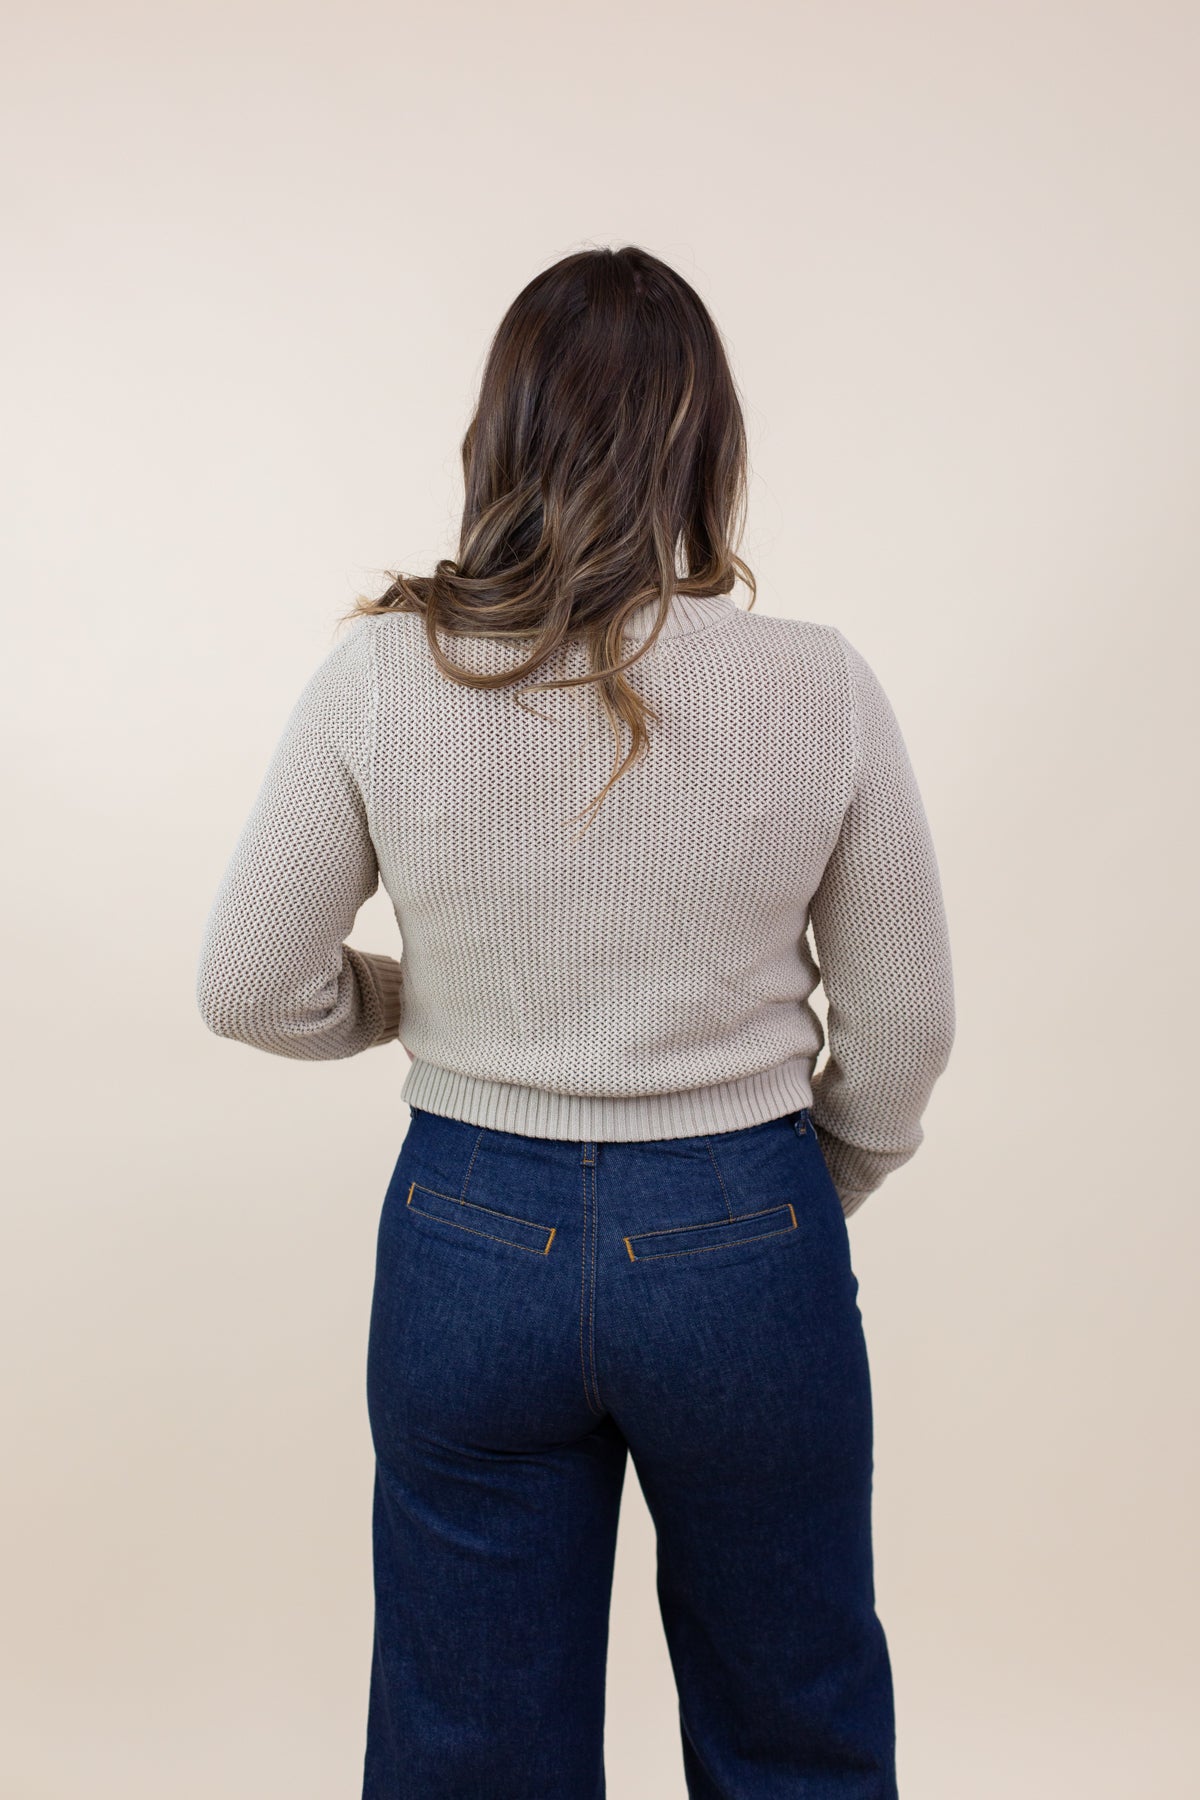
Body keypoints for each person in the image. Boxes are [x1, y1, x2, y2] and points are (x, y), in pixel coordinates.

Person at [196, 243, 956, 1800]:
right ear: (710, 445)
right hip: (747, 1230)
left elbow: (249, 979)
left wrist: (428, 1004)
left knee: (469, 1757)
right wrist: (805, 1189)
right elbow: (909, 1025)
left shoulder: (385, 674)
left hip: (469, 1237)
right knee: (795, 1730)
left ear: (501, 435)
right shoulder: (820, 686)